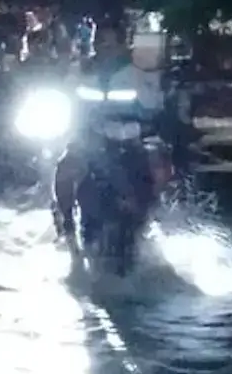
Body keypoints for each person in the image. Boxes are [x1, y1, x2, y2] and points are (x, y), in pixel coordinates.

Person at [51, 17, 164, 235]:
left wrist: (142, 123)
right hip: (90, 140)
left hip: (129, 140)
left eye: (110, 44)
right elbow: (64, 97)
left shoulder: (138, 76)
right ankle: (66, 222)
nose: (104, 49)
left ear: (123, 46)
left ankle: (153, 215)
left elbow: (154, 107)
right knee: (65, 170)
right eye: (99, 43)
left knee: (158, 166)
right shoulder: (81, 73)